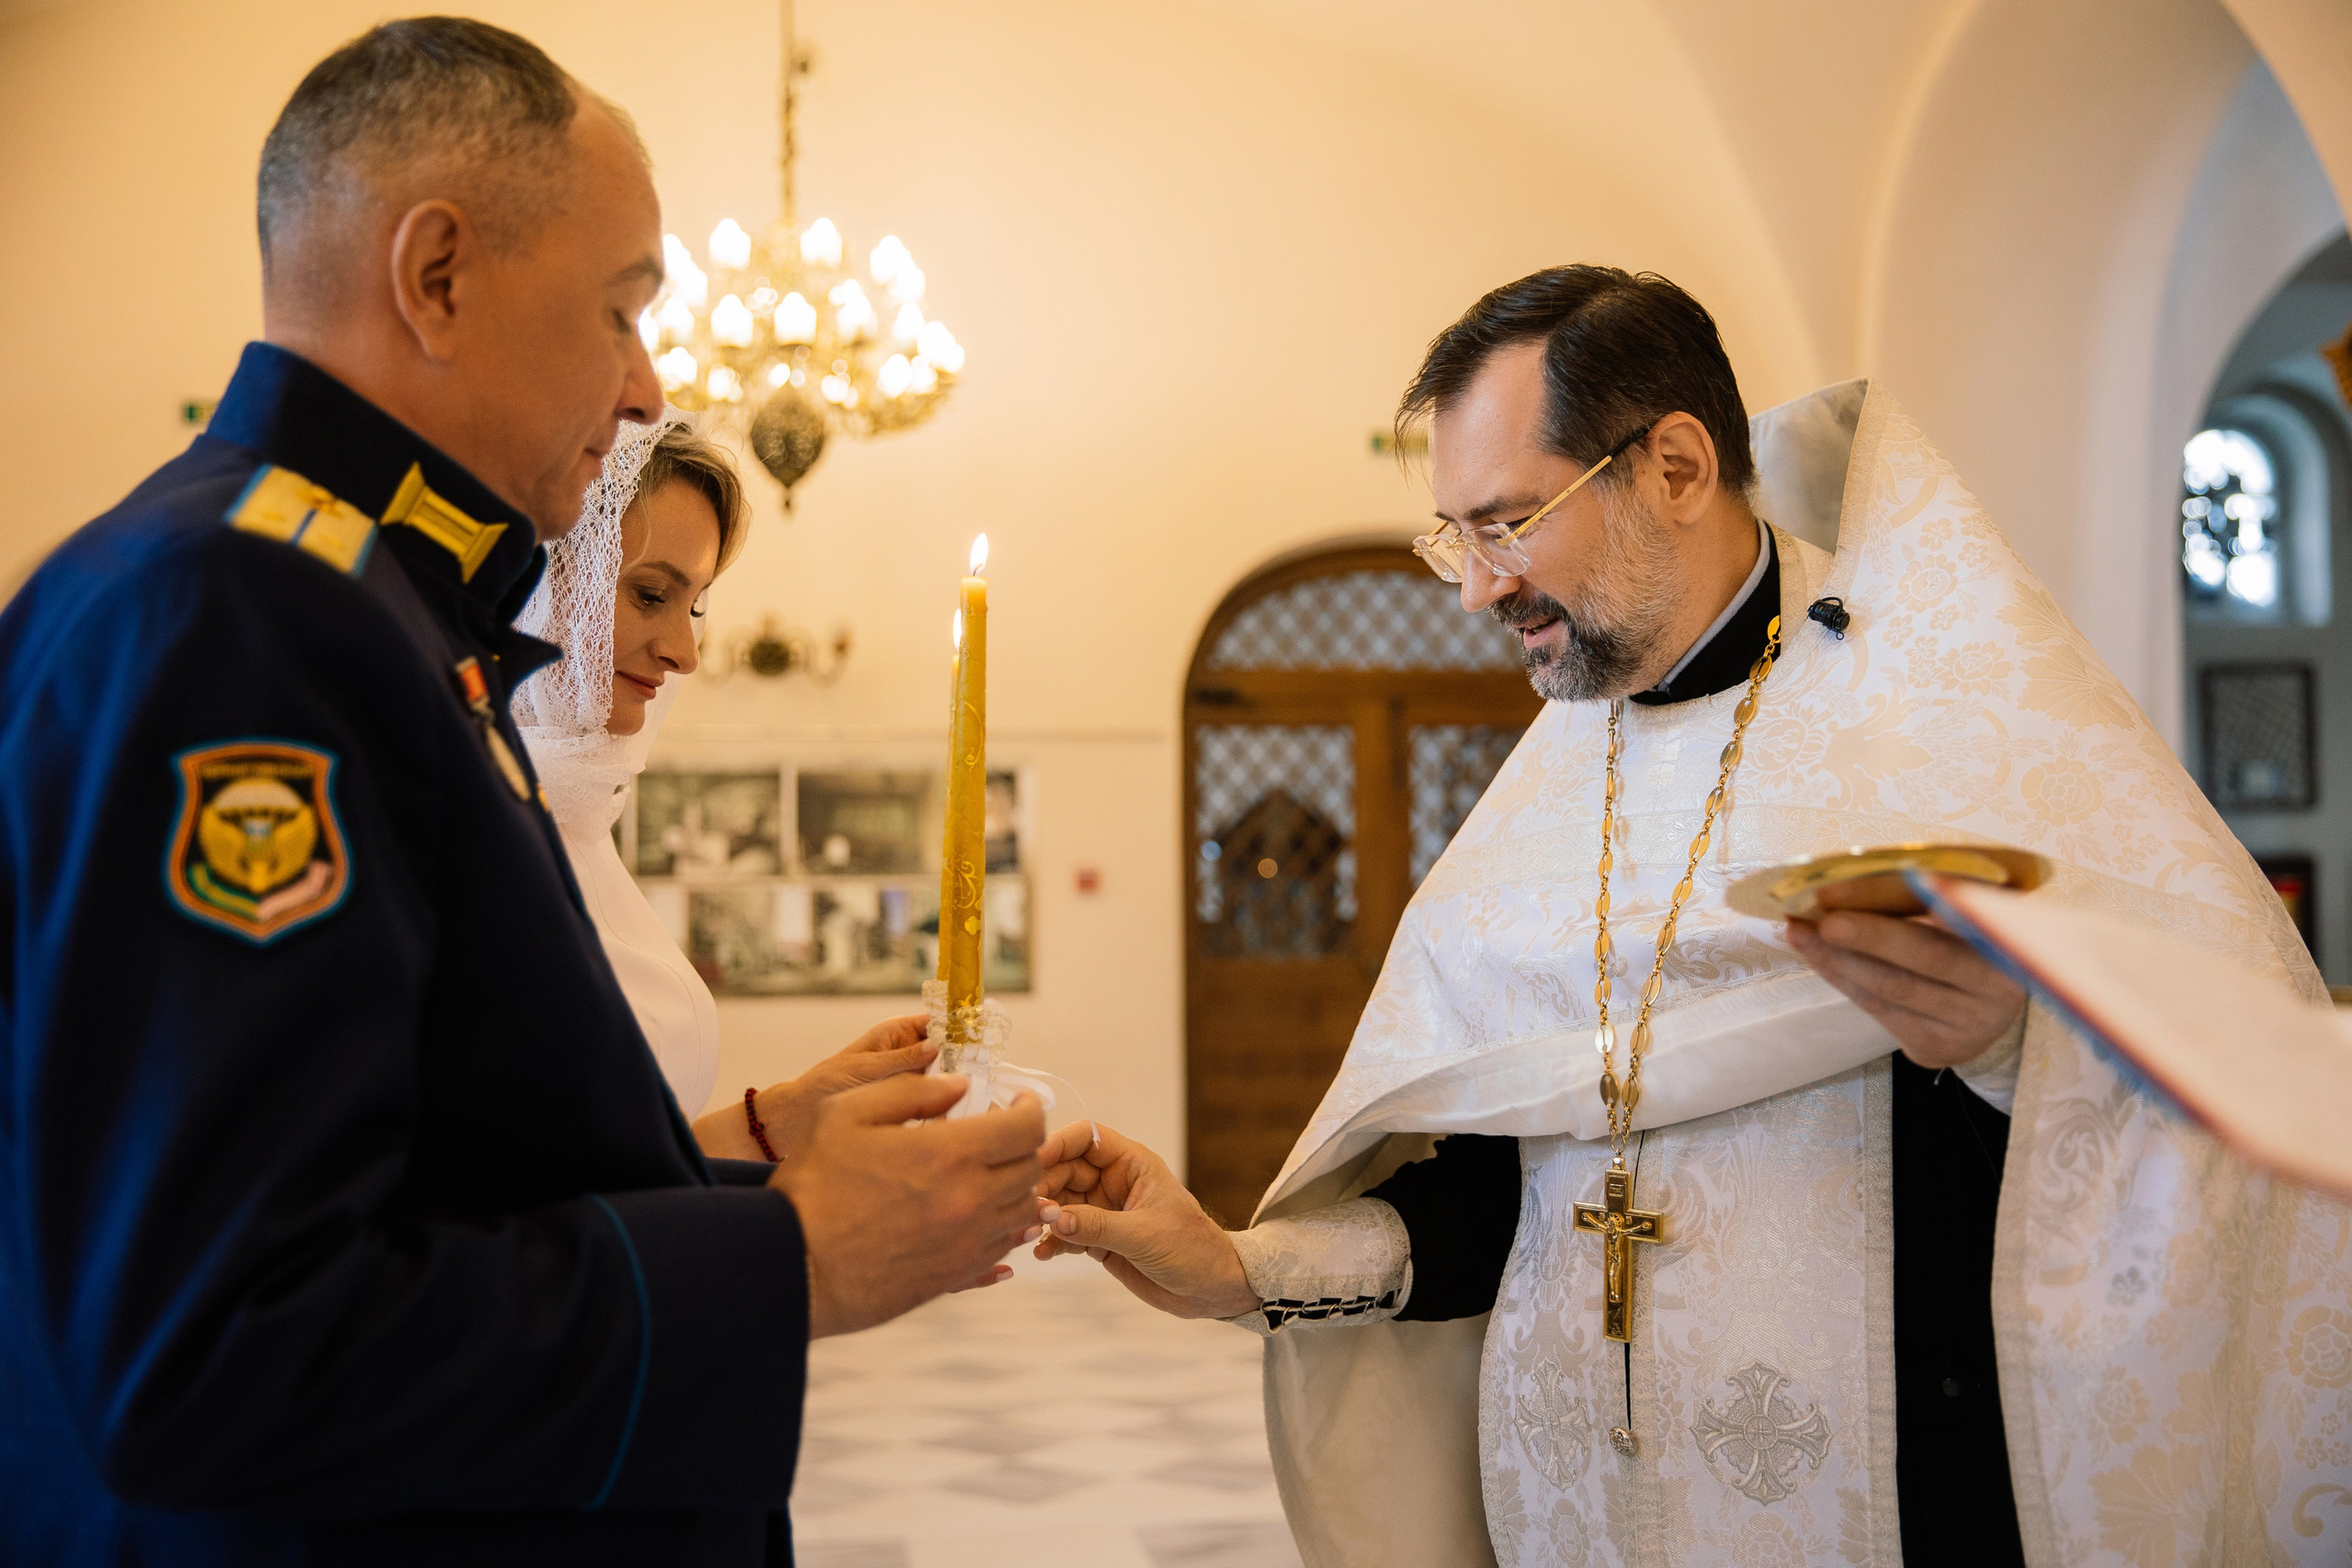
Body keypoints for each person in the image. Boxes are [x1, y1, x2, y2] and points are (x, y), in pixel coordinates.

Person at [1035, 266, 2349, 1565]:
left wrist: (2015, 1054)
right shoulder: (1542, 797)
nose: (1475, 590)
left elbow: (2235, 1096)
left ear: (1672, 464)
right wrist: (1238, 1265)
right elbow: (1494, 1192)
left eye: (1506, 522)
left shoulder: (1961, 730)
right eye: (1457, 536)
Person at [0, 19, 1043, 1564]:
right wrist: (797, 1256)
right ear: (438, 276)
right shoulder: (243, 614)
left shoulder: (356, 598)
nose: (647, 385)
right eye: (624, 310)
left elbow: (444, 1166)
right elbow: (224, 1346)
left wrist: (755, 1156)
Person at [514, 410, 938, 1168]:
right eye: (650, 594)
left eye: (696, 606)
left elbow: (621, 1165)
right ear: (543, 585)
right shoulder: (469, 815)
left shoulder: (578, 822)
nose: (685, 652)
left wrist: (790, 1113)